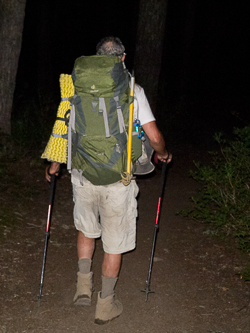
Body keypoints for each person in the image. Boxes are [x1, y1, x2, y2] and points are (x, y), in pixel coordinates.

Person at [45, 36, 172, 325]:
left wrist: (55, 163)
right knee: (114, 242)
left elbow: (64, 126)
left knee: (87, 230)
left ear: (98, 57)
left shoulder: (76, 84)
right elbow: (153, 136)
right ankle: (105, 305)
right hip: (118, 179)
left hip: (82, 173)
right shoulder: (131, 88)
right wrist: (163, 153)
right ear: (122, 58)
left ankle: (82, 290)